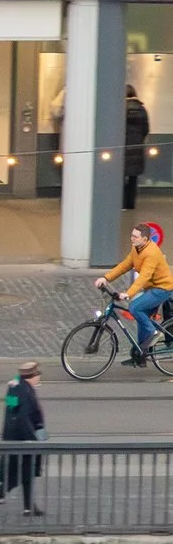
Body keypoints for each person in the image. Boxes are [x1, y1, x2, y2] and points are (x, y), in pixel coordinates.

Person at [96, 223, 173, 364]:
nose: (132, 238)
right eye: (132, 235)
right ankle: (141, 355)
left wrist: (128, 294)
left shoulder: (151, 253)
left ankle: (154, 333)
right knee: (141, 317)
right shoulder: (136, 248)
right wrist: (106, 278)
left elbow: (143, 277)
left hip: (162, 288)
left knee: (134, 307)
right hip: (151, 288)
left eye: (135, 237)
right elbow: (125, 265)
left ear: (145, 239)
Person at [0, 362, 47, 517]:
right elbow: (25, 418)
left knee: (22, 474)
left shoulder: (14, 386)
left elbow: (12, 411)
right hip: (23, 440)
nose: (38, 378)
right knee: (19, 475)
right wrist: (33, 440)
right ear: (32, 376)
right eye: (37, 375)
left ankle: (27, 507)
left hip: (12, 438)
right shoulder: (26, 392)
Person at [127, 85, 152, 211]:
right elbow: (146, 129)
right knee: (133, 177)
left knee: (120, 177)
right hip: (137, 148)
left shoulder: (121, 109)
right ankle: (131, 203)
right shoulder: (142, 109)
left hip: (122, 148)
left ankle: (121, 203)